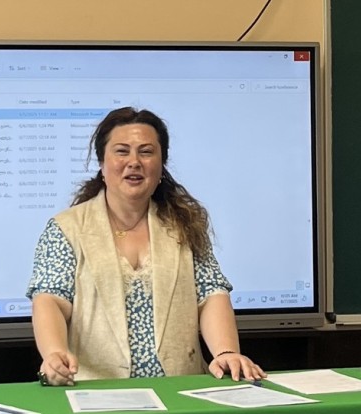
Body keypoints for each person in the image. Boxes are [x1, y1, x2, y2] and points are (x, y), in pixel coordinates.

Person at [26, 107, 265, 386]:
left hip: (181, 390)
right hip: (95, 391)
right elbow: (51, 299)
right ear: (102, 163)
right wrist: (54, 353)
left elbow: (211, 294)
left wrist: (226, 352)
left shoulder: (184, 224)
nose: (134, 162)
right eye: (122, 151)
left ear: (161, 164)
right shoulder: (67, 228)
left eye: (146, 152)